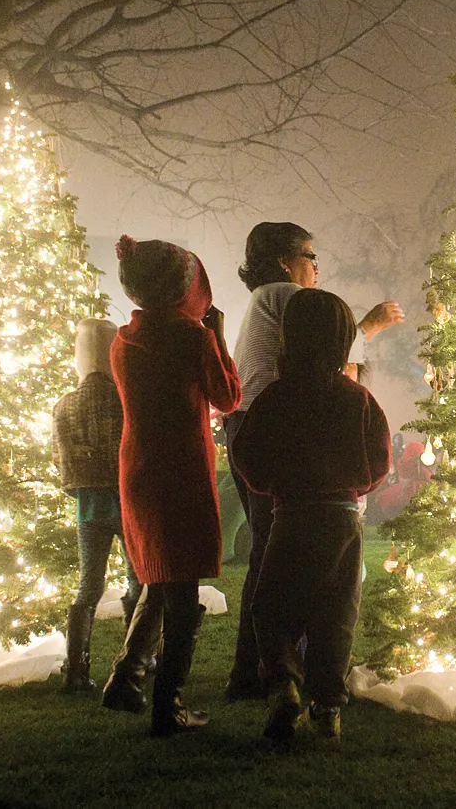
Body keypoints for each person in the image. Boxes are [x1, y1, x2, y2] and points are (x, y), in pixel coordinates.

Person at [222, 221, 403, 700]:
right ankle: (268, 674)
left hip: (261, 427)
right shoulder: (282, 294)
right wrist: (369, 326)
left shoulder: (267, 299)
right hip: (276, 428)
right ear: (285, 260)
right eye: (309, 255)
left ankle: (277, 670)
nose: (316, 266)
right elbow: (327, 337)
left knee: (274, 554)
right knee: (275, 558)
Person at [100, 236, 241, 736]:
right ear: (185, 286)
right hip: (181, 471)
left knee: (161, 577)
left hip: (138, 469)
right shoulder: (190, 337)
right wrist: (217, 337)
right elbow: (227, 395)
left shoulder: (123, 340)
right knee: (182, 592)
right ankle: (169, 704)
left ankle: (126, 678)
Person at [51, 318, 141, 693]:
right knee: (138, 579)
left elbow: (59, 459)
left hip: (88, 507)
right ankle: (138, 658)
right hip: (126, 501)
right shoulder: (125, 398)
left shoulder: (65, 404)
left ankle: (77, 670)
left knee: (89, 585)